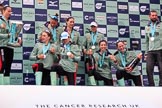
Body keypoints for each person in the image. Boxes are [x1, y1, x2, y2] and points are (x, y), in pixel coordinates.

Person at [0, 5, 21, 85]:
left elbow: (12, 36)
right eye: (8, 11)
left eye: (11, 11)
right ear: (3, 11)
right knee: (2, 66)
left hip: (10, 46)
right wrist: (7, 35)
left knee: (8, 67)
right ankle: (1, 86)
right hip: (2, 46)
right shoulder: (0, 21)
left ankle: (6, 86)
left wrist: (17, 39)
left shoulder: (11, 23)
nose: (10, 13)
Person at [145, 10, 162, 86]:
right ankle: (151, 86)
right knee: (148, 69)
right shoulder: (147, 27)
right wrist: (146, 53)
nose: (154, 16)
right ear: (149, 16)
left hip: (160, 50)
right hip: (150, 51)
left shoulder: (161, 25)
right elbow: (147, 41)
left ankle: (161, 85)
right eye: (153, 15)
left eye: (155, 15)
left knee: (161, 69)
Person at [63, 16, 81, 85]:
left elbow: (79, 44)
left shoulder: (77, 33)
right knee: (64, 73)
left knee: (73, 72)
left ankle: (72, 88)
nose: (72, 23)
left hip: (73, 55)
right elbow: (59, 42)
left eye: (73, 22)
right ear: (66, 22)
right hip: (64, 53)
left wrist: (77, 54)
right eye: (70, 22)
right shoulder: (62, 31)